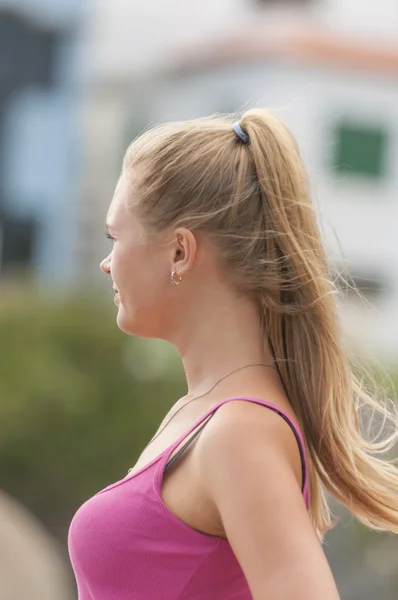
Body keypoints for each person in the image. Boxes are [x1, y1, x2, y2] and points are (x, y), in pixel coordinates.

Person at [68, 109, 398, 599]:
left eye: (115, 238)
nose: (105, 263)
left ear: (180, 251)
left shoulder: (239, 432)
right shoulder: (203, 414)